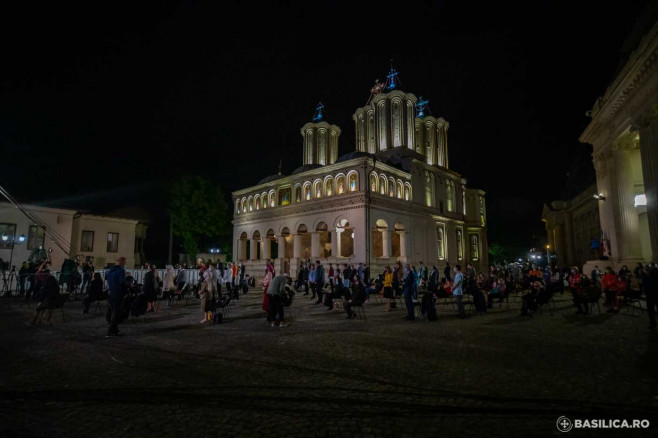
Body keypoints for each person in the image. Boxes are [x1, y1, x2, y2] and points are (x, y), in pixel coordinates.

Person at [105, 257, 127, 336]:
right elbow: (122, 282)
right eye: (124, 262)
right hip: (118, 293)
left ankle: (115, 330)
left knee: (112, 311)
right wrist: (128, 285)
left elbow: (107, 280)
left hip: (111, 293)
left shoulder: (110, 270)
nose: (125, 264)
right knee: (116, 312)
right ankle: (110, 331)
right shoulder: (121, 270)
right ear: (121, 262)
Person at [641, 263, 658, 330]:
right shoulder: (646, 277)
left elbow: (645, 284)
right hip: (651, 296)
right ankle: (653, 324)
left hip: (651, 296)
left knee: (651, 312)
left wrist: (643, 274)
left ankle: (653, 324)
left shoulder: (646, 277)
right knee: (651, 312)